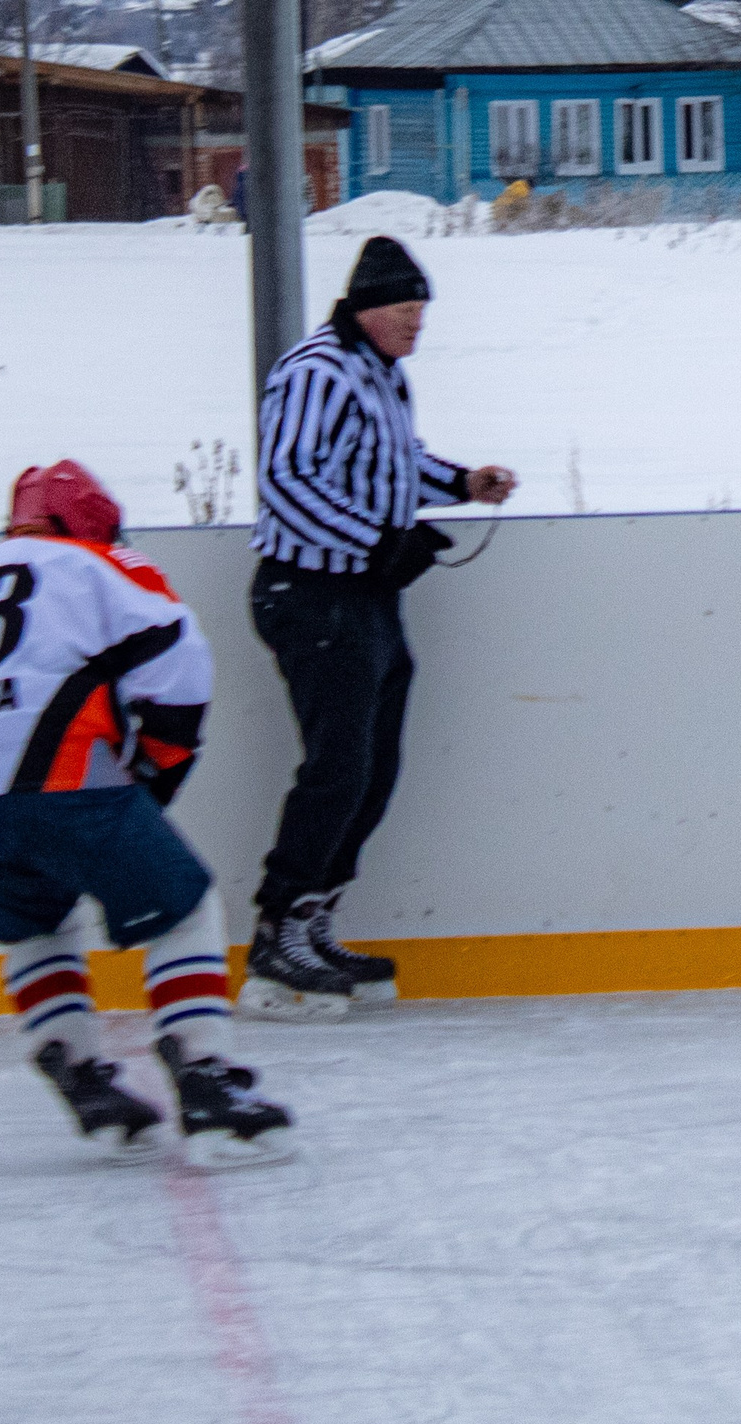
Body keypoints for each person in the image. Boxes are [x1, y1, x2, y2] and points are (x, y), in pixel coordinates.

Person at [0, 460, 295, 1167]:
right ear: (94, 522)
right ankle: (205, 1078)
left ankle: (80, 1072)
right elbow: (177, 665)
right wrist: (157, 777)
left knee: (37, 920)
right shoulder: (107, 565)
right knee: (185, 908)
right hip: (55, 782)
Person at [245, 234, 518, 1021]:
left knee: (373, 766)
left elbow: (396, 461)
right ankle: (276, 929)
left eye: (421, 312)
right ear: (367, 308)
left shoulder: (381, 376)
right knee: (338, 765)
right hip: (311, 592)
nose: (416, 325)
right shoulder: (315, 372)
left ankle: (312, 918)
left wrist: (462, 481)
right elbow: (286, 480)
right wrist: (376, 543)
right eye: (405, 311)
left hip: (360, 596)